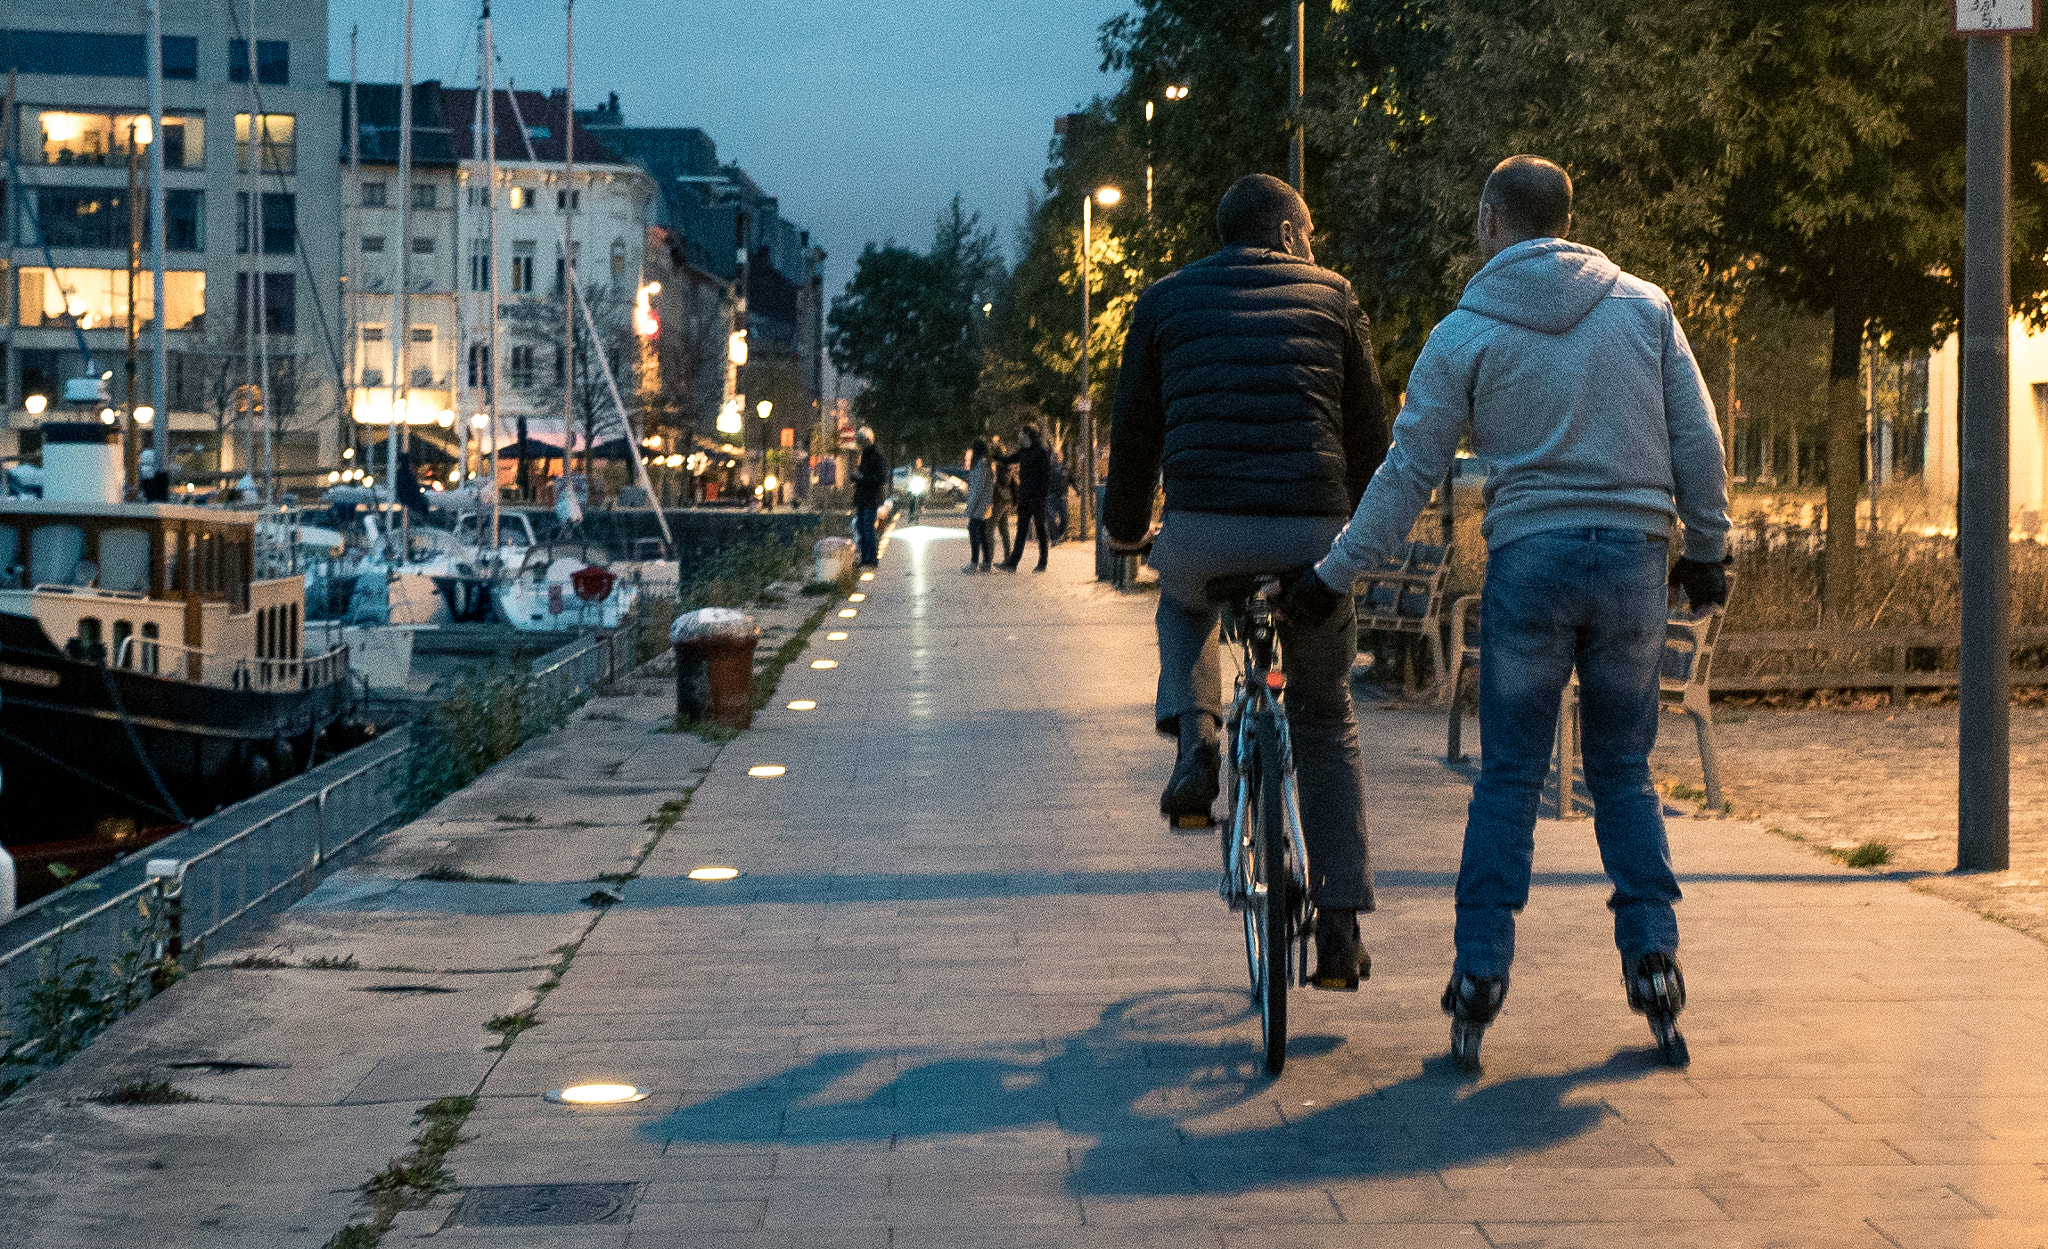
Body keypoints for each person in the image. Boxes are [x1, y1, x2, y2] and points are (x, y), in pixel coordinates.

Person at [1280, 155, 1731, 1069]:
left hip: (1531, 564)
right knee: (1623, 771)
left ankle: (1480, 973)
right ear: (1565, 219)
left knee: (1509, 779)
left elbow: (1408, 472)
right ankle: (1654, 961)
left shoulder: (1465, 332)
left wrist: (1336, 572)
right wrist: (1709, 549)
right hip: (1637, 561)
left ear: (1492, 218)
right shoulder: (1645, 309)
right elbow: (1698, 434)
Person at [1104, 173, 1390, 991]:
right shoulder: (1334, 298)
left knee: (1183, 602)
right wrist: (1363, 536)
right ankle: (1338, 927)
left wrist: (1127, 532)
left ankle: (1196, 747)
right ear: (1292, 232)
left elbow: (1136, 429)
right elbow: (1369, 431)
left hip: (1204, 528)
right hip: (1314, 537)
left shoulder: (1162, 302)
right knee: (1326, 718)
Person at [998, 425, 1053, 573]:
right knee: (1021, 529)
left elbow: (1046, 475)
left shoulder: (1040, 452)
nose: (1018, 436)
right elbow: (1008, 460)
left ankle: (1042, 562)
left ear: (1027, 435)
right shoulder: (1023, 451)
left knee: (1040, 529)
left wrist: (1041, 494)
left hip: (1036, 497)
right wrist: (994, 455)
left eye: (1021, 434)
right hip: (1025, 496)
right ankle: (1012, 563)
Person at [851, 427, 886, 567]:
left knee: (867, 528)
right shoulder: (865, 456)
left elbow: (879, 478)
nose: (859, 444)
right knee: (862, 527)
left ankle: (871, 558)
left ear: (867, 441)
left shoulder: (874, 457)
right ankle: (866, 557)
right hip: (863, 497)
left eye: (861, 441)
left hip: (869, 497)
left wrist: (862, 478)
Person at [963, 439, 996, 572]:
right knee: (982, 532)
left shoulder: (981, 466)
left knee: (973, 529)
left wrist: (971, 506)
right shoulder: (987, 464)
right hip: (985, 504)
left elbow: (977, 489)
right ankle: (986, 562)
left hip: (980, 506)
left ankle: (974, 562)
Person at [988, 435, 1016, 563]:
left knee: (990, 527)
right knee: (1003, 528)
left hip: (1001, 499)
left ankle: (988, 559)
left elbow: (1004, 481)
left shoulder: (1003, 466)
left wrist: (995, 483)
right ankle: (1008, 557)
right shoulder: (1007, 465)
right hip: (1006, 498)